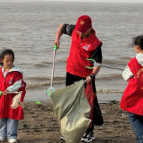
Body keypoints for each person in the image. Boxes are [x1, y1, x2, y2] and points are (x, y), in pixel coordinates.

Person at [53, 15, 103, 142]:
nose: (80, 32)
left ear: (90, 28)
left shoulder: (95, 43)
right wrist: (57, 40)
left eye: (83, 30)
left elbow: (98, 64)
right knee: (70, 103)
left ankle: (88, 133)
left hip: (85, 78)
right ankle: (70, 130)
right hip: (70, 72)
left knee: (86, 106)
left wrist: (92, 75)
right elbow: (61, 26)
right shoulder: (75, 30)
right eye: (79, 29)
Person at [0, 49, 26, 143]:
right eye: (7, 61)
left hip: (13, 99)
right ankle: (2, 135)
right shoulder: (0, 72)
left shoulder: (16, 73)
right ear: (2, 60)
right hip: (2, 99)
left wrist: (9, 90)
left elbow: (18, 84)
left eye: (11, 61)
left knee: (12, 117)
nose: (9, 63)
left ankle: (12, 136)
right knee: (2, 117)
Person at [120, 35, 143, 143]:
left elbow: (125, 76)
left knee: (133, 116)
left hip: (136, 95)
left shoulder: (134, 61)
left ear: (137, 47)